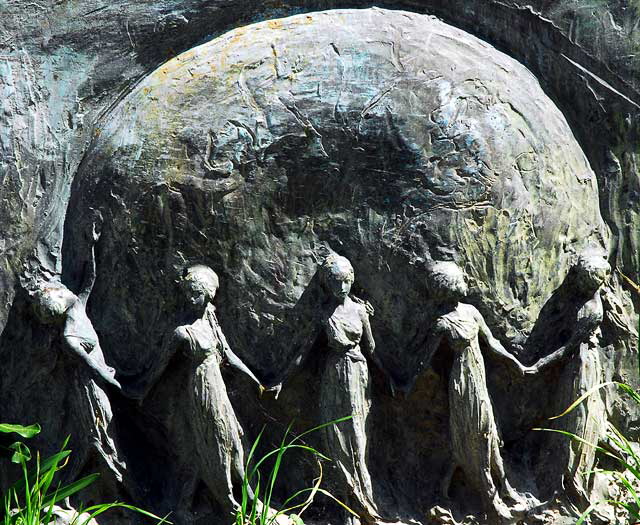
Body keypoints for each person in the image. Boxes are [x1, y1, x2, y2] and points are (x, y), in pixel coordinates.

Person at [128, 264, 264, 519]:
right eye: (188, 292)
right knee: (217, 444)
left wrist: (253, 377)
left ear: (208, 295)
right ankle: (228, 500)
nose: (191, 298)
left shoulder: (211, 321)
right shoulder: (181, 332)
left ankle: (237, 495)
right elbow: (158, 366)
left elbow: (228, 355)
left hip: (219, 390)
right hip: (202, 392)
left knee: (234, 441)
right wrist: (139, 389)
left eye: (196, 293)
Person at [406, 261, 527, 521]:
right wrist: (405, 383)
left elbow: (492, 343)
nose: (464, 283)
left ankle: (505, 486)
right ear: (447, 288)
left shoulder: (471, 312)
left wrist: (517, 364)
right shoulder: (442, 323)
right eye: (459, 280)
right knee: (474, 437)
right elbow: (422, 359)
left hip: (479, 378)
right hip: (463, 384)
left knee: (490, 433)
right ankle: (490, 496)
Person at [273, 254, 385, 524]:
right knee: (338, 442)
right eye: (336, 282)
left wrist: (394, 375)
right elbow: (303, 352)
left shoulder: (360, 311)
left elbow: (371, 348)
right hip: (334, 379)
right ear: (327, 284)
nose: (342, 288)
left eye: (346, 281)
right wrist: (282, 379)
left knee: (359, 441)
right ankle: (348, 509)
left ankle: (365, 504)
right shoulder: (323, 314)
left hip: (359, 376)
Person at [29, 218, 124, 487]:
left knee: (101, 434)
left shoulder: (78, 308)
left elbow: (89, 279)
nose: (65, 293)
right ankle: (77, 487)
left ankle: (87, 486)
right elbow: (91, 367)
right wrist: (120, 384)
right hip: (89, 387)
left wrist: (92, 245)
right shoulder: (69, 336)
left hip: (99, 379)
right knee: (97, 433)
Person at [528, 253, 611, 508]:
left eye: (581, 277)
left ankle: (570, 482)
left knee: (574, 418)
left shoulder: (591, 311)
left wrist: (539, 364)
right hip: (577, 363)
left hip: (580, 365)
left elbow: (568, 348)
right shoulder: (585, 301)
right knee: (567, 416)